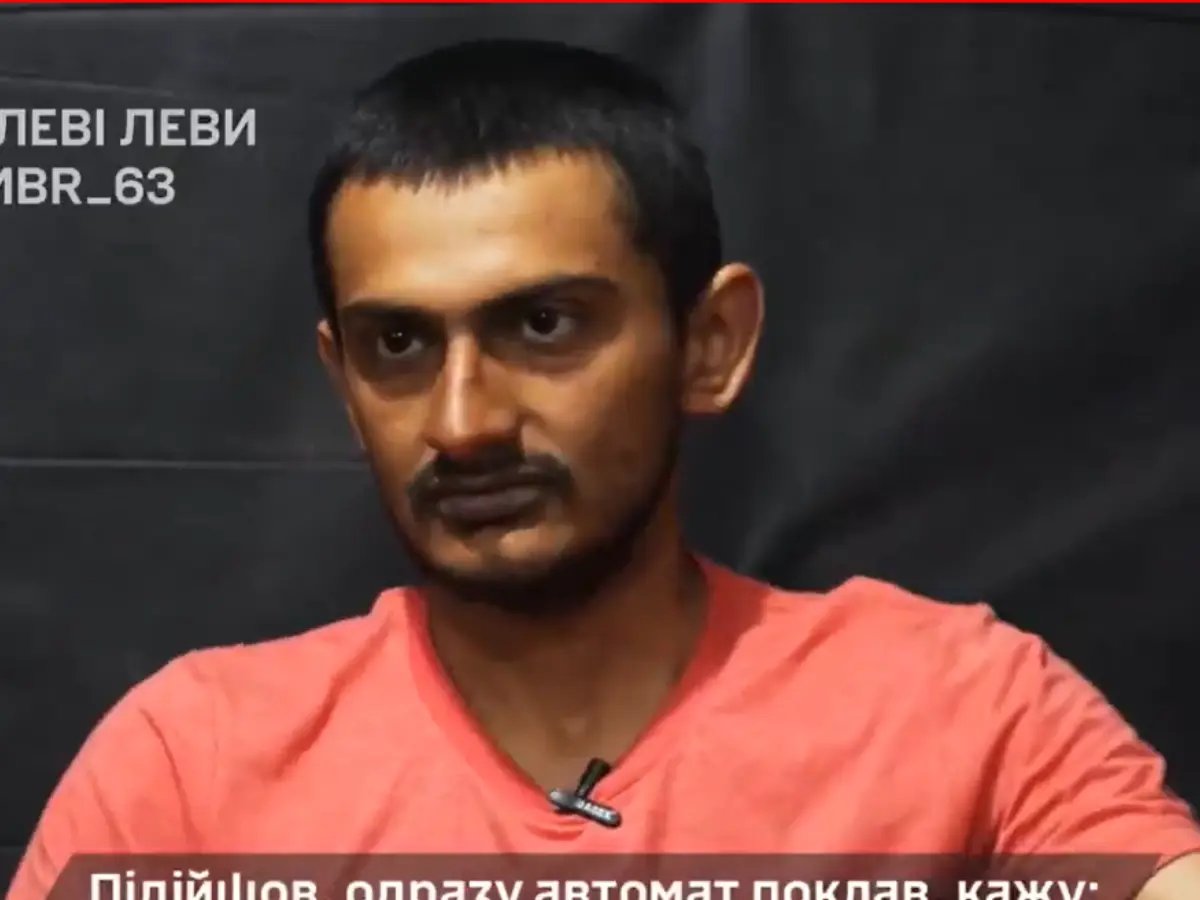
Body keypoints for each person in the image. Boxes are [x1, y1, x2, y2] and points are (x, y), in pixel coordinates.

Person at [7, 38, 1200, 900]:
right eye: (400, 344)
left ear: (710, 343)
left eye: (544, 326)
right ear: (342, 377)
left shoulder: (961, 718)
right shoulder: (195, 769)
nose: (463, 422)